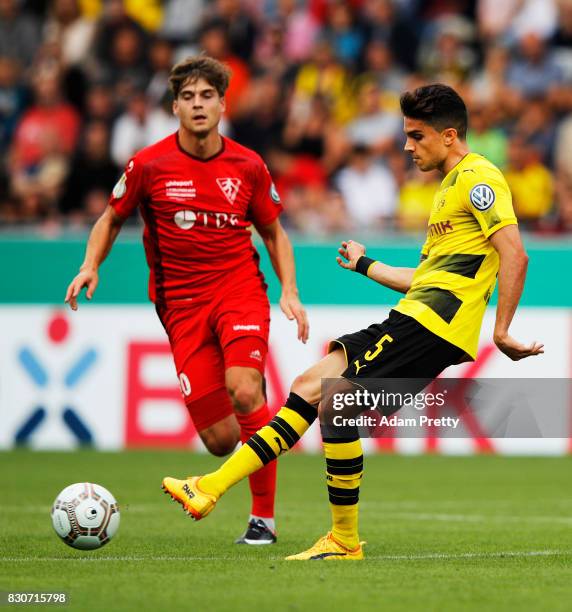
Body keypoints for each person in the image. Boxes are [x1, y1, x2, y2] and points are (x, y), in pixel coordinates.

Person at [161, 83, 545, 560]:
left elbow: (516, 254)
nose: (407, 146)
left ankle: (343, 539)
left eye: (416, 136)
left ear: (449, 136)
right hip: (417, 315)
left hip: (432, 326)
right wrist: (366, 265)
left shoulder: (478, 178)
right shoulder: (449, 188)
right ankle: (211, 486)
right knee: (307, 385)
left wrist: (502, 329)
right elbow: (426, 278)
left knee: (337, 405)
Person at [65, 56, 309, 545]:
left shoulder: (248, 165)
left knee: (246, 390)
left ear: (222, 104)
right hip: (180, 306)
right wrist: (91, 264)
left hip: (239, 290)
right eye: (188, 97)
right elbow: (111, 218)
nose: (198, 105)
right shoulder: (148, 165)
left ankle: (263, 522)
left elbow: (274, 232)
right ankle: (245, 470)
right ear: (175, 107)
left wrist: (290, 291)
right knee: (220, 441)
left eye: (207, 96)